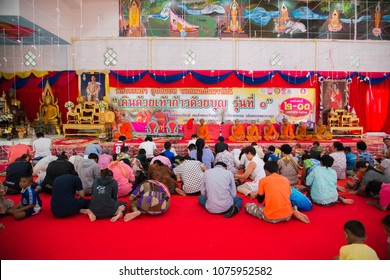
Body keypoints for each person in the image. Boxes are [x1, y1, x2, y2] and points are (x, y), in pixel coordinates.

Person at [244, 161, 309, 224]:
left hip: (270, 217)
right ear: (277, 170)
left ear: (266, 171)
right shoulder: (285, 179)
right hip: (288, 215)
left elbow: (260, 200)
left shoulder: (263, 180)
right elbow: (287, 195)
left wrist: (260, 194)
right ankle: (293, 211)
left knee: (247, 205)